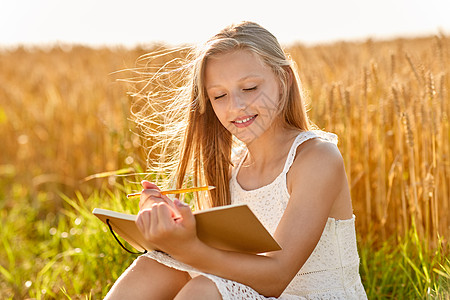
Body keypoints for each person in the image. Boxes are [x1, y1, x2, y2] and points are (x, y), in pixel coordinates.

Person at [105, 21, 367, 299]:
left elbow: (277, 277)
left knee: (205, 289)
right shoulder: (230, 170)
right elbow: (225, 260)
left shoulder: (316, 158)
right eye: (219, 95)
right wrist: (169, 224)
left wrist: (188, 248)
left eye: (250, 88)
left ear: (284, 79)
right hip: (254, 292)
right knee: (154, 266)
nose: (236, 106)